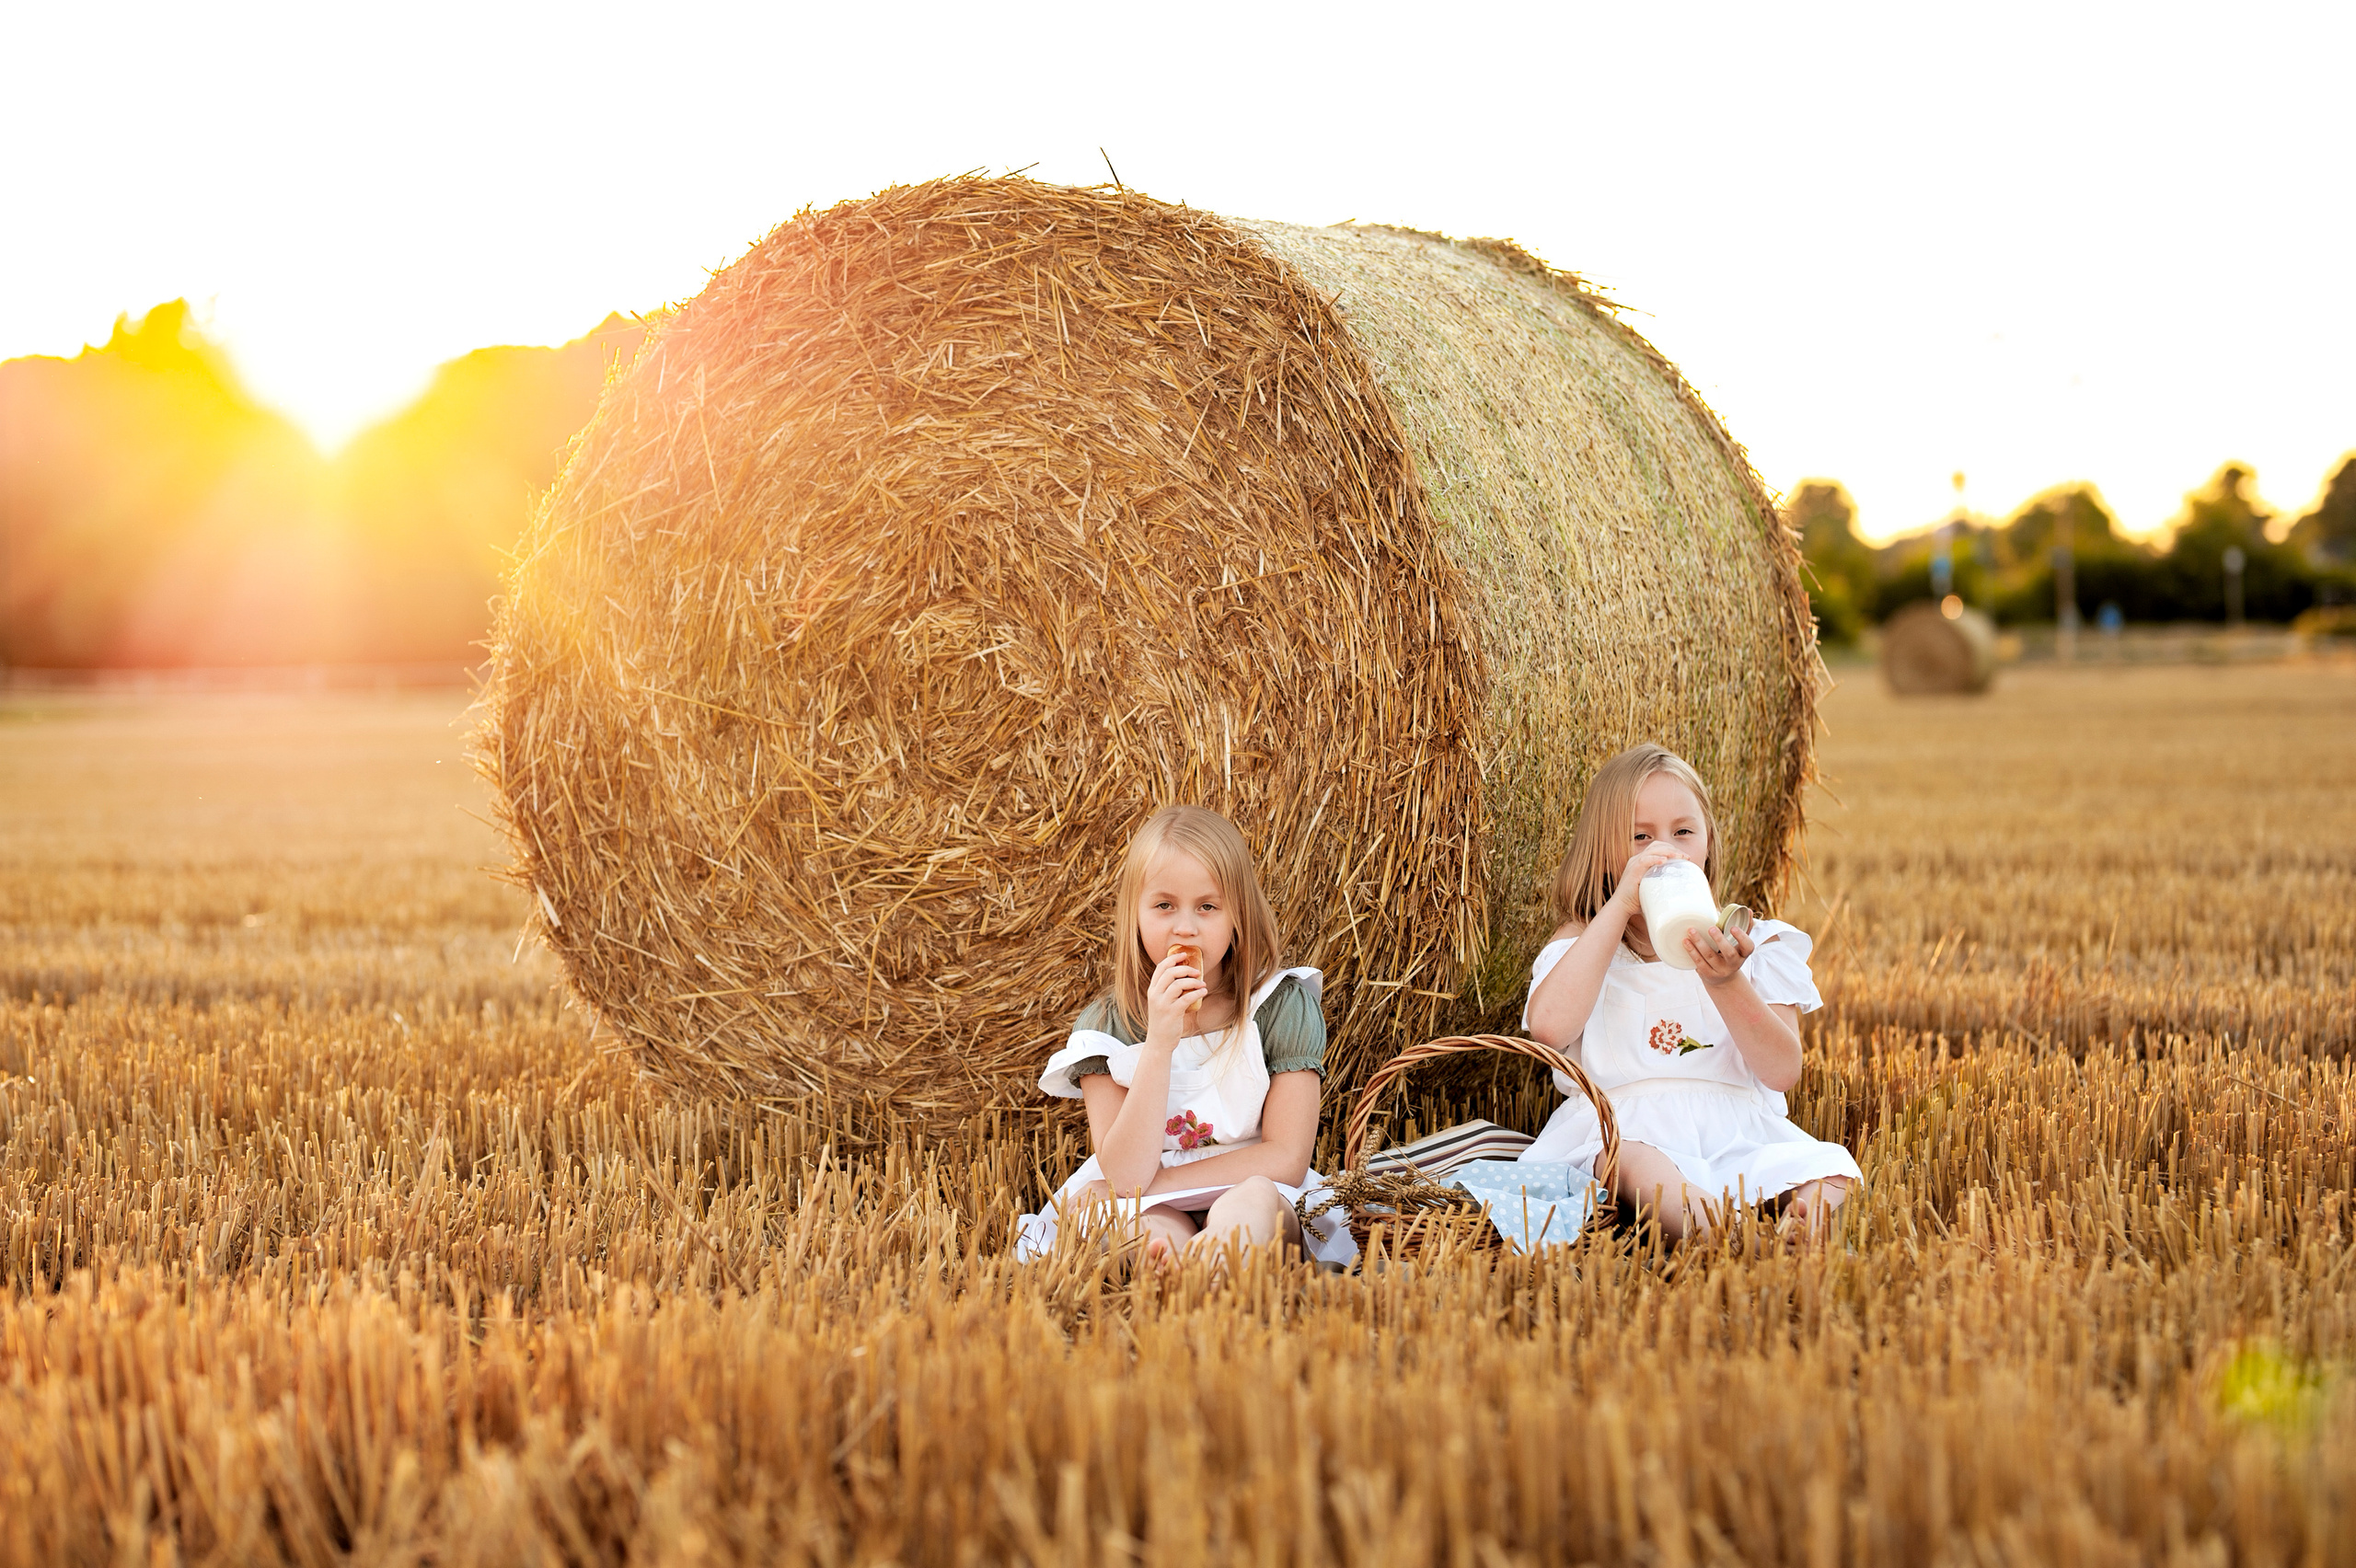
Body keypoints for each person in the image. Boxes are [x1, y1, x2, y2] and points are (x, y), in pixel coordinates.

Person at [1521, 744, 1860, 1240]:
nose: (1667, 850)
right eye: (1640, 837)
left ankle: (1803, 1229)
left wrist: (1725, 981)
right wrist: (1617, 908)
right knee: (1640, 1167)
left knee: (1832, 1169)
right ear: (1602, 852)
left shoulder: (1756, 946)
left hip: (1735, 1128)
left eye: (1684, 831)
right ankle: (1730, 1235)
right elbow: (1548, 1029)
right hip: (1625, 1130)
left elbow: (1782, 1071)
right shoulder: (1585, 944)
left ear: (1707, 842)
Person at [1014, 805, 1357, 1266]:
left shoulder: (1278, 1006)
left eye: (1208, 907)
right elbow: (1124, 1177)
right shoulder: (1105, 1027)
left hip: (1252, 1181)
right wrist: (1158, 1043)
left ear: (1239, 915)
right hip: (1144, 1195)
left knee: (1248, 1207)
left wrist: (1167, 1184)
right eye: (1164, 905)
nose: (1185, 927)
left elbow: (1287, 1158)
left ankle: (1217, 1254)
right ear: (1133, 915)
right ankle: (1177, 1262)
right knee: (1106, 1217)